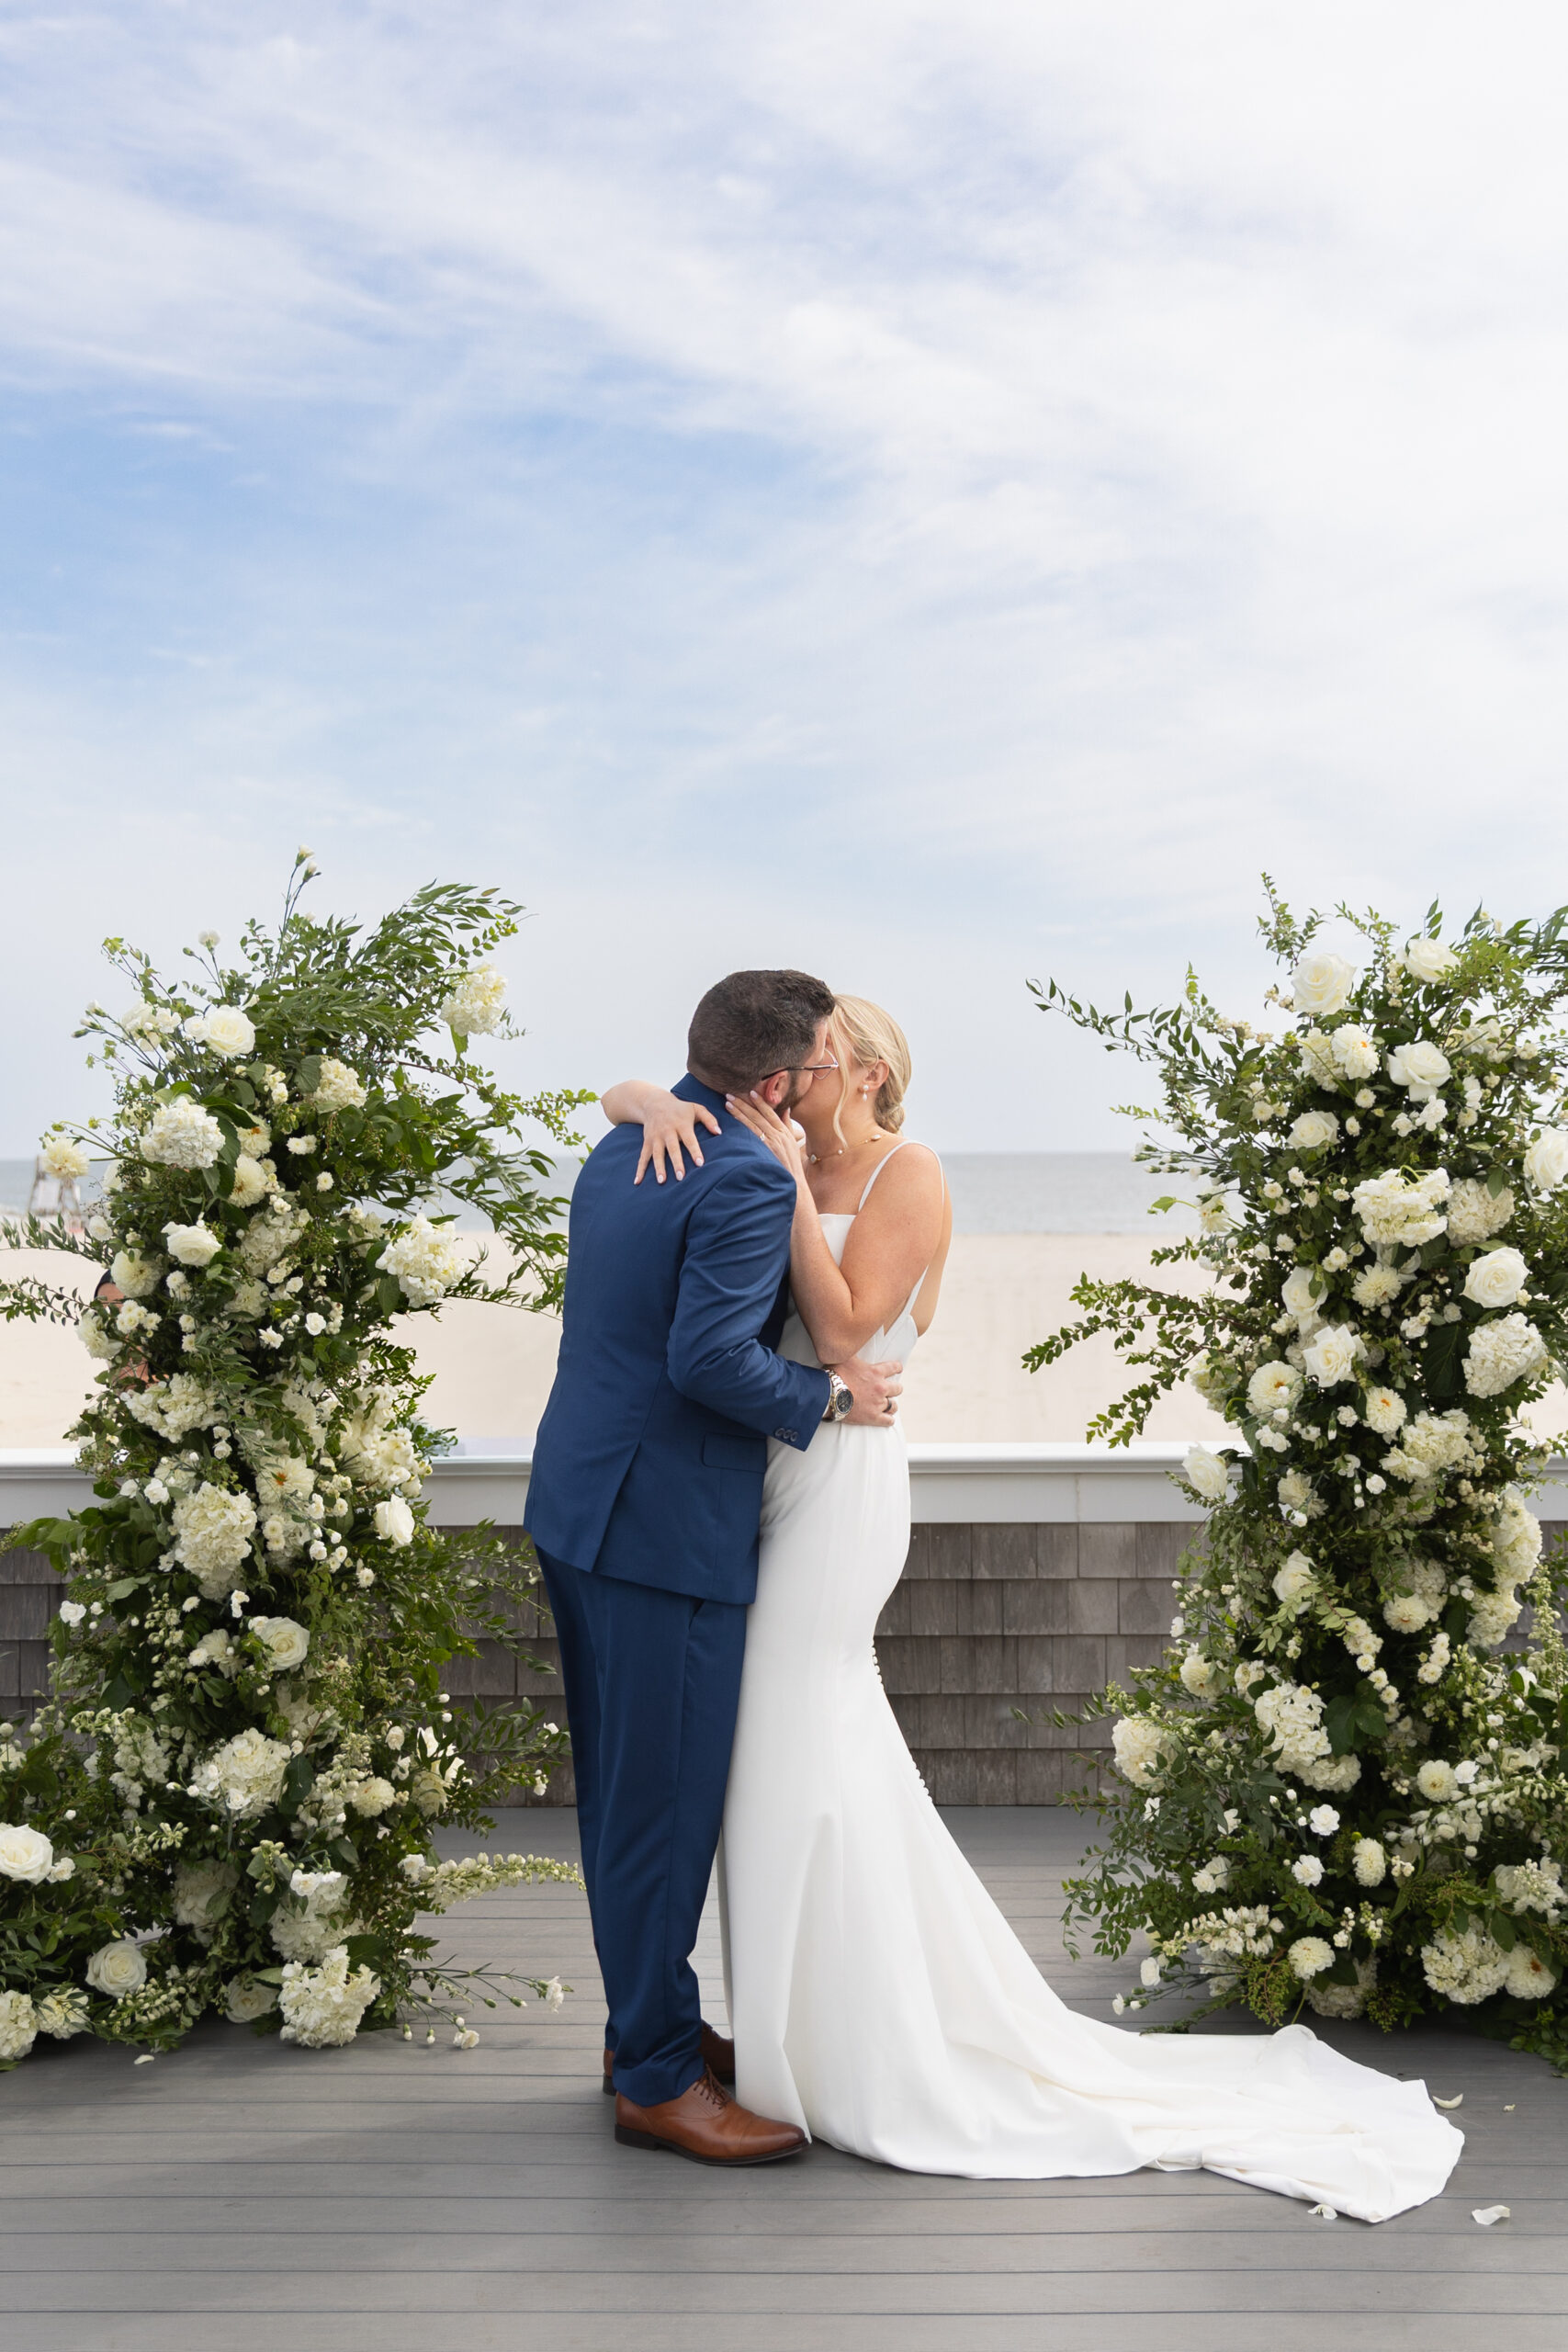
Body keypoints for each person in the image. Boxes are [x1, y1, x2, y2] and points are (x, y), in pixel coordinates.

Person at [600, 994, 1464, 2223]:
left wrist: (791, 1184)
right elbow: (654, 1116)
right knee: (768, 1763)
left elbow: (845, 1325)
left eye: (834, 1046)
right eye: (808, 1049)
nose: (813, 1065)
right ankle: (774, 2033)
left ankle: (861, 2049)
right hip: (769, 1478)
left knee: (804, 1733)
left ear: (861, 1066)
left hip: (843, 1481)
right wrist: (639, 1097)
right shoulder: (770, 1146)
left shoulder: (906, 1171)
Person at [524, 969, 904, 2167]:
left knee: (620, 1798)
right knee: (663, 1811)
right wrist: (834, 1393)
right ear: (780, 1083)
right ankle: (655, 2081)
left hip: (580, 1502)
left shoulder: (629, 1141)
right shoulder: (743, 1171)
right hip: (661, 1531)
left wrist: (631, 1094)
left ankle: (651, 2028)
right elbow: (707, 1362)